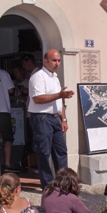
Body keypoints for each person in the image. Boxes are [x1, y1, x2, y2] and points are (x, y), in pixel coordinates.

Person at [28, 49, 74, 189]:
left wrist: (64, 120)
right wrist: (60, 95)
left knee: (61, 151)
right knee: (44, 152)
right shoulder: (38, 77)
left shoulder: (55, 77)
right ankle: (47, 185)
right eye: (54, 60)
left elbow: (59, 102)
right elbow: (37, 99)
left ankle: (64, 184)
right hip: (42, 118)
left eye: (59, 60)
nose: (57, 63)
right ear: (45, 61)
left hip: (55, 118)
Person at [0, 56, 17, 172]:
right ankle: (7, 164)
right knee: (8, 138)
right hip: (3, 110)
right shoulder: (3, 73)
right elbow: (11, 90)